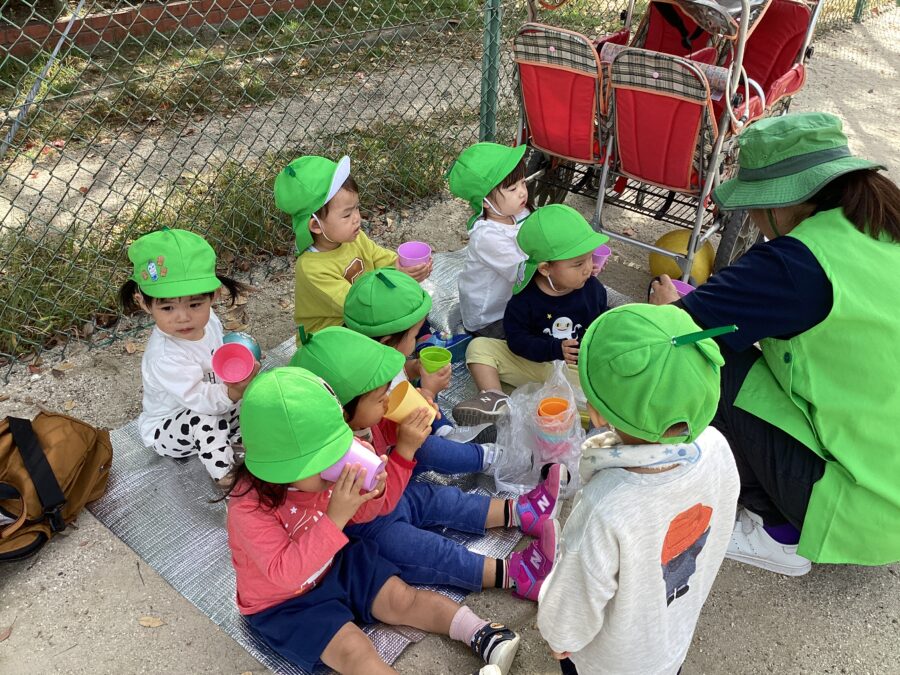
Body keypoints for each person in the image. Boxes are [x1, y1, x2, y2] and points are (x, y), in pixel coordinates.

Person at [649, 112, 900, 573]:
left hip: (859, 502)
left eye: (752, 205)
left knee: (702, 354)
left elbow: (678, 327)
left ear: (781, 201)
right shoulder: (881, 218)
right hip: (887, 478)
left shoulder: (795, 264)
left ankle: (779, 532)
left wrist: (667, 306)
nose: (752, 218)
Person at [223, 367, 521, 675]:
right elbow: (285, 574)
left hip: (334, 560)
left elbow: (366, 514)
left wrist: (373, 491)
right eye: (324, 458)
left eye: (337, 448)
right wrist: (336, 517)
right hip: (285, 602)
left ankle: (480, 633)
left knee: (402, 599)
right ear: (285, 467)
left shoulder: (319, 477)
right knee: (354, 650)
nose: (335, 462)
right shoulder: (249, 508)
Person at [291, 326, 565, 600]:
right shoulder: (335, 460)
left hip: (394, 497)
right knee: (430, 551)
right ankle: (516, 575)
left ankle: (521, 512)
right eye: (379, 399)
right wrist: (405, 450)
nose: (387, 402)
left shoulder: (358, 422)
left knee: (441, 499)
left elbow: (384, 432)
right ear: (341, 411)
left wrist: (414, 413)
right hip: (367, 529)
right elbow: (377, 505)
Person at [537, 304, 740, 674]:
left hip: (609, 664)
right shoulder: (717, 447)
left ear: (596, 414)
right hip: (670, 642)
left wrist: (559, 635)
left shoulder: (605, 504)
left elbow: (577, 594)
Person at [118, 228, 258, 482]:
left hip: (214, 401)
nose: (183, 317)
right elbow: (199, 400)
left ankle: (247, 442)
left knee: (257, 395)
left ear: (214, 296)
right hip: (172, 426)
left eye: (195, 304)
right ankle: (225, 476)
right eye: (167, 307)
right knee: (205, 420)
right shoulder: (164, 355)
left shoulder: (209, 320)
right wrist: (233, 392)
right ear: (144, 303)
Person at [453, 204, 608, 428]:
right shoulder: (525, 298)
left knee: (607, 387)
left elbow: (601, 329)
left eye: (589, 258)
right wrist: (554, 349)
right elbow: (516, 341)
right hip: (537, 365)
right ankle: (498, 402)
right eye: (578, 264)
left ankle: (543, 406)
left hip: (576, 373)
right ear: (545, 268)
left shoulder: (593, 290)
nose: (588, 268)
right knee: (479, 347)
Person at [343, 267, 499, 454]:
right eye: (414, 335)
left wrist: (414, 368)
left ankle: (444, 430)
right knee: (430, 449)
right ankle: (487, 457)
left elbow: (400, 373)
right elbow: (401, 420)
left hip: (408, 416)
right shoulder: (372, 383)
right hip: (394, 444)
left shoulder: (370, 353)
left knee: (424, 380)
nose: (415, 341)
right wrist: (429, 391)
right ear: (387, 342)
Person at [273, 155, 432, 335]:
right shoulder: (312, 269)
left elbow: (380, 258)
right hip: (335, 331)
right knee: (396, 314)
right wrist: (398, 280)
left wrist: (402, 268)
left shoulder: (354, 238)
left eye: (356, 207)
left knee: (412, 306)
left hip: (367, 309)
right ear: (316, 225)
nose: (357, 218)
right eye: (347, 214)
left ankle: (422, 340)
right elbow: (354, 306)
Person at [447, 142, 531, 338]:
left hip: (513, 299)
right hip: (490, 316)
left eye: (523, 182)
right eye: (512, 188)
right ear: (485, 202)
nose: (522, 192)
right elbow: (522, 274)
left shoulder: (519, 212)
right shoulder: (488, 237)